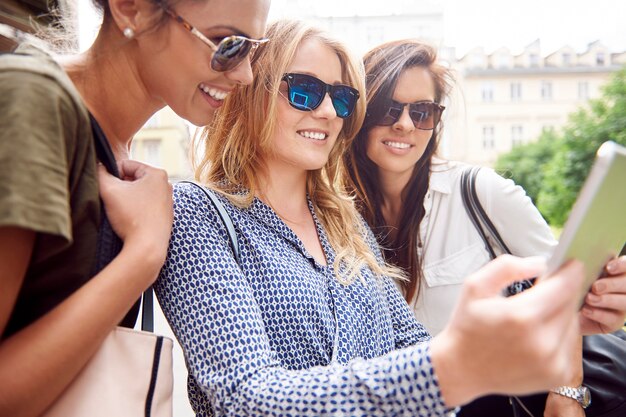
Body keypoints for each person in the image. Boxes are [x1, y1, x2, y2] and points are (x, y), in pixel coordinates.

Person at [154, 19, 623, 417]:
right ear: (249, 91)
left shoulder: (344, 223)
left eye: (340, 98)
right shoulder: (198, 212)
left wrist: (528, 330)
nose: (326, 111)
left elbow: (413, 349)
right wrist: (451, 365)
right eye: (303, 91)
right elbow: (246, 397)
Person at [0, 0, 270, 416]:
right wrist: (144, 253)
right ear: (131, 9)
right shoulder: (35, 101)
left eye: (252, 48)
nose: (245, 73)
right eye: (227, 44)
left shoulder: (114, 148)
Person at [343, 39, 626, 416]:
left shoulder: (483, 192)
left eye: (422, 111)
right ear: (360, 113)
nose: (405, 123)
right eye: (388, 108)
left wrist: (567, 392)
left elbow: (564, 290)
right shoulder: (336, 214)